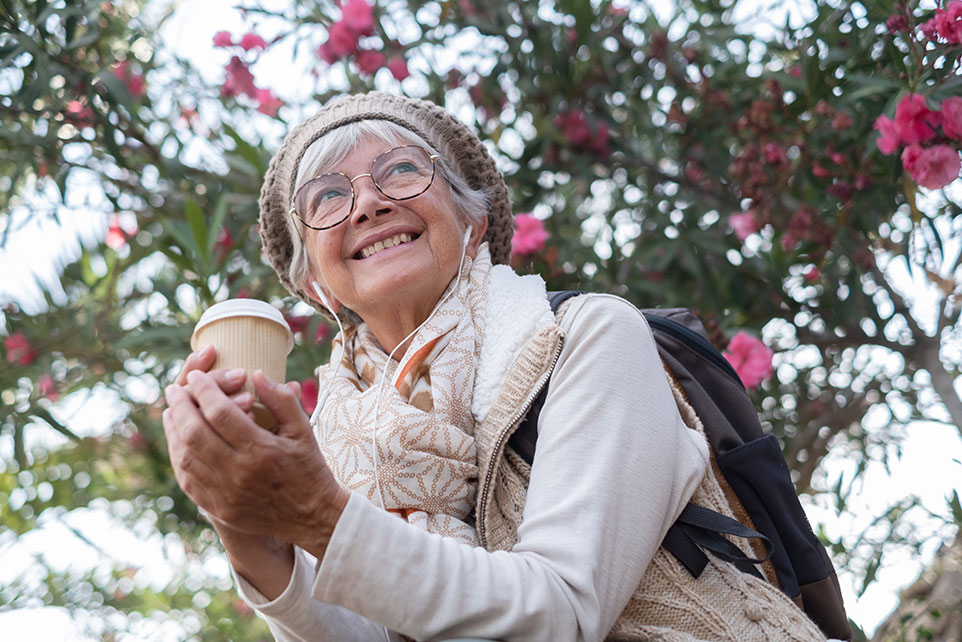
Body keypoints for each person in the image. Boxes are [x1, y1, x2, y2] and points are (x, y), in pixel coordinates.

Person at [162, 92, 827, 641]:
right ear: (317, 286)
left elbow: (560, 613)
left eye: (399, 171)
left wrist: (316, 516)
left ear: (472, 221)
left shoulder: (583, 336)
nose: (367, 203)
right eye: (328, 198)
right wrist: (248, 530)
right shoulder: (333, 447)